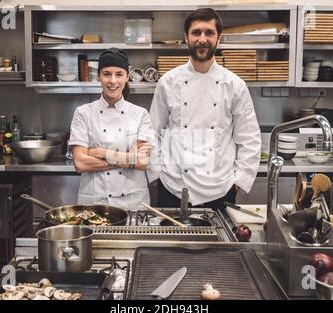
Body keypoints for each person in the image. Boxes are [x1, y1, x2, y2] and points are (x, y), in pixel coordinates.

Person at [149, 8, 261, 211]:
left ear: (218, 38)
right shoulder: (168, 82)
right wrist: (158, 173)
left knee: (217, 244)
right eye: (196, 32)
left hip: (219, 190)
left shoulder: (234, 85)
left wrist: (237, 183)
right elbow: (153, 132)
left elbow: (249, 139)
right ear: (186, 37)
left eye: (209, 33)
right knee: (170, 243)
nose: (202, 39)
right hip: (173, 188)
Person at [69, 48, 154, 210]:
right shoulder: (83, 113)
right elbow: (80, 163)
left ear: (127, 77)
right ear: (99, 76)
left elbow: (142, 160)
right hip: (95, 203)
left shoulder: (140, 114)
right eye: (107, 74)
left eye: (119, 74)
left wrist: (101, 153)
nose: (113, 81)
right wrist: (129, 159)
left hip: (133, 203)